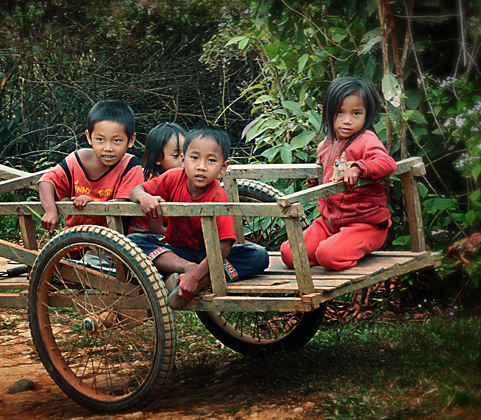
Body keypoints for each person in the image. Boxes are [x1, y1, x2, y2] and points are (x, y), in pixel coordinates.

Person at [128, 127, 270, 308]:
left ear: (222, 168)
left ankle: (199, 278)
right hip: (176, 250)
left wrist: (195, 276)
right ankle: (187, 269)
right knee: (133, 241)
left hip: (209, 256)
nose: (201, 166)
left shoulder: (217, 196)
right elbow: (136, 190)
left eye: (211, 160)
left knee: (258, 255)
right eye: (194, 158)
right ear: (183, 159)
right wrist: (143, 197)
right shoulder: (173, 177)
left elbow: (224, 245)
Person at [280, 76, 397, 271]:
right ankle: (333, 247)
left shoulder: (366, 140)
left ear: (367, 115)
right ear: (328, 113)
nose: (347, 121)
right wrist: (316, 180)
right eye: (339, 113)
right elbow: (327, 170)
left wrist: (359, 168)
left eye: (356, 113)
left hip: (365, 224)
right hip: (329, 222)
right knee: (290, 255)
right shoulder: (326, 144)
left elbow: (387, 162)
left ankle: (341, 250)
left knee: (328, 256)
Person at [38, 100, 143, 234]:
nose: (108, 148)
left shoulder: (130, 166)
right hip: (74, 238)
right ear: (89, 137)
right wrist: (50, 211)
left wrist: (92, 203)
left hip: (112, 242)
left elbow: (120, 207)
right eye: (100, 139)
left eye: (117, 140)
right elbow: (47, 181)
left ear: (131, 140)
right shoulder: (76, 161)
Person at [130, 122, 187, 234]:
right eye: (176, 156)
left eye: (188, 153)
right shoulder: (156, 181)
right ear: (158, 159)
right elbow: (157, 230)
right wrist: (143, 197)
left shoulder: (189, 179)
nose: (184, 160)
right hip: (147, 236)